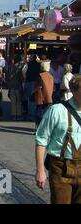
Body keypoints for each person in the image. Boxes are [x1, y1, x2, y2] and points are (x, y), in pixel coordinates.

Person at [35, 74, 81, 204]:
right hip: (60, 168)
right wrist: (40, 170)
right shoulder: (57, 110)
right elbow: (41, 139)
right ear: (73, 90)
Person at [35, 61, 54, 127]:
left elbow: (39, 86)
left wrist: (34, 91)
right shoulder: (51, 76)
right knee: (47, 113)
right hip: (49, 96)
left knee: (39, 113)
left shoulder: (41, 75)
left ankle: (39, 127)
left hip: (40, 96)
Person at [9, 54, 25, 121]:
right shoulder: (21, 66)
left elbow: (8, 76)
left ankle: (13, 115)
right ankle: (18, 115)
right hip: (18, 85)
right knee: (18, 101)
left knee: (13, 101)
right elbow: (22, 77)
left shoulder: (11, 67)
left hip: (12, 85)